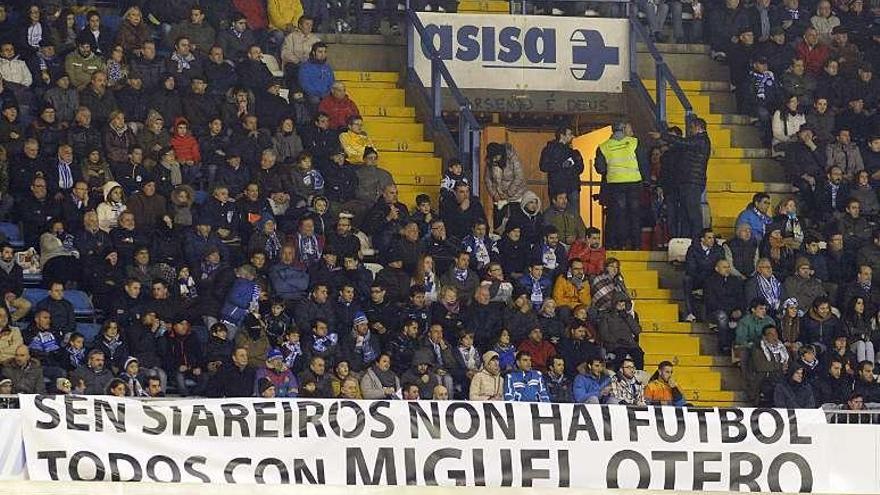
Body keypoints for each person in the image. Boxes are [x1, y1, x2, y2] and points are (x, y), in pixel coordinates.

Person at [595, 122, 641, 250]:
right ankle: (636, 245)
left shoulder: (604, 146)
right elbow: (643, 163)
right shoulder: (634, 142)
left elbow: (600, 168)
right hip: (634, 182)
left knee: (619, 215)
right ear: (623, 129)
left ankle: (621, 244)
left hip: (615, 183)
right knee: (634, 214)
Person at [539, 126, 584, 213]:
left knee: (559, 215)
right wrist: (563, 165)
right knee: (571, 215)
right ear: (562, 135)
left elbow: (544, 166)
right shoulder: (571, 152)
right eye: (570, 134)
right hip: (568, 188)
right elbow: (580, 168)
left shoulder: (549, 150)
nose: (572, 137)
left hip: (558, 187)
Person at [683, 228, 724, 322]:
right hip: (697, 278)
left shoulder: (719, 249)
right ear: (702, 239)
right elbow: (691, 268)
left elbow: (720, 266)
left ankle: (713, 318)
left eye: (713, 238)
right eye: (709, 238)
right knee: (687, 279)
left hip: (712, 278)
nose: (712, 240)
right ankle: (690, 313)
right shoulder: (693, 249)